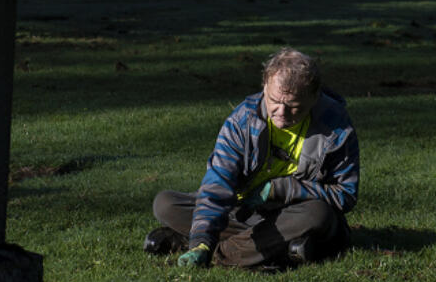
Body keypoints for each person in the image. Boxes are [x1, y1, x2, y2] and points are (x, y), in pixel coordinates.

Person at [144, 48, 358, 268]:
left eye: (294, 106)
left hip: (296, 216)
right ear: (264, 86)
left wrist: (282, 189)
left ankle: (220, 253)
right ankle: (279, 249)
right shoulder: (242, 121)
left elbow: (345, 194)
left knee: (318, 214)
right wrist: (201, 239)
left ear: (315, 96)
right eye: (274, 101)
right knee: (165, 204)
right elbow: (217, 184)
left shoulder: (337, 127)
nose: (281, 113)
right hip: (244, 214)